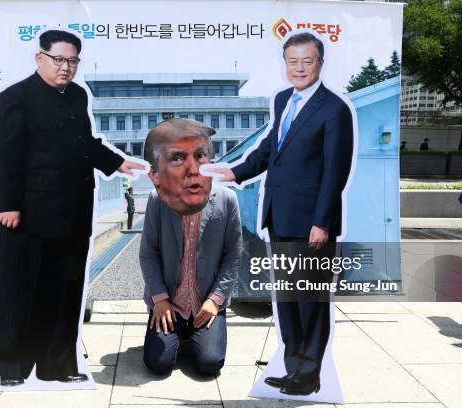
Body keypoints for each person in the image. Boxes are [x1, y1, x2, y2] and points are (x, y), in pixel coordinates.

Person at [0, 29, 145, 387]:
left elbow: (83, 144)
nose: (66, 67)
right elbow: (5, 154)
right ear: (39, 58)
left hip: (73, 211)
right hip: (27, 215)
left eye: (72, 61)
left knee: (64, 293)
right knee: (20, 292)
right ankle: (9, 366)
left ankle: (57, 365)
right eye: (58, 59)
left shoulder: (76, 96)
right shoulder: (16, 97)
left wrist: (118, 162)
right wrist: (8, 205)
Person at [208, 32, 354, 395]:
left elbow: (335, 171)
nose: (299, 68)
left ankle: (309, 375)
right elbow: (272, 147)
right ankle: (292, 368)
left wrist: (322, 221)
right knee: (287, 299)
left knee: (311, 299)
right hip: (280, 215)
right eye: (293, 61)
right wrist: (235, 171)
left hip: (311, 224)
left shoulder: (334, 109)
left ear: (320, 63)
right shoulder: (283, 100)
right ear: (285, 64)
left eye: (307, 61)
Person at [140, 119, 242, 376]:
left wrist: (215, 300)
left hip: (205, 301)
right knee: (158, 363)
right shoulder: (158, 199)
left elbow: (233, 255)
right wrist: (160, 299)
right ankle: (174, 333)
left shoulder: (227, 200)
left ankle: (197, 333)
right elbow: (148, 253)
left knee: (210, 363)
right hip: (169, 302)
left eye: (200, 155)